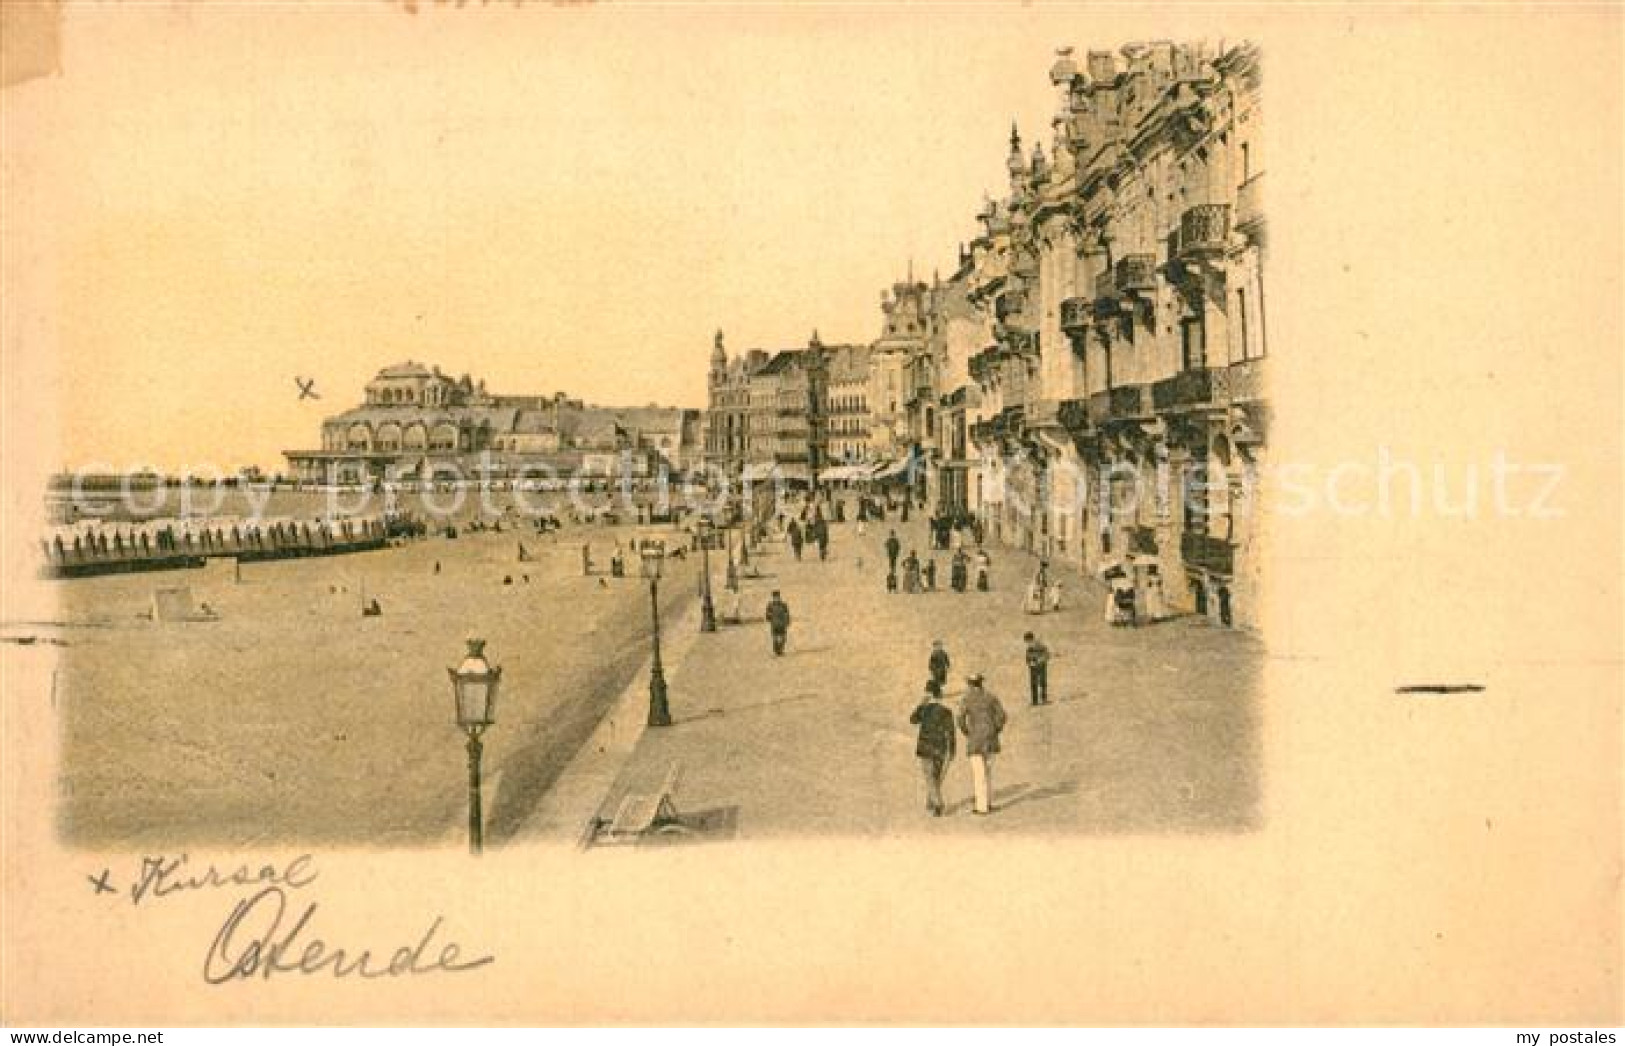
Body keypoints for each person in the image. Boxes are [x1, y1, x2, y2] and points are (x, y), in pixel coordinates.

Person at [957, 673, 1007, 815]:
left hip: (976, 740)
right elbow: (1002, 715)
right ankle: (988, 803)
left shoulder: (966, 699)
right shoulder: (991, 697)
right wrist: (996, 728)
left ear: (970, 685)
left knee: (979, 774)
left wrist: (967, 732)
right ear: (981, 683)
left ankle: (982, 807)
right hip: (991, 739)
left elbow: (960, 719)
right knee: (988, 773)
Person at [909, 683, 956, 817]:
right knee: (935, 776)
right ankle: (930, 802)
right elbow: (951, 732)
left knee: (929, 777)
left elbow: (912, 720)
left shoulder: (925, 709)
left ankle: (938, 804)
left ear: (929, 695)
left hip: (926, 748)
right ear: (940, 696)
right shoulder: (947, 712)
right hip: (940, 748)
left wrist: (921, 704)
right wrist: (952, 750)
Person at [1023, 631, 1051, 706]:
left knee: (1042, 683)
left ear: (1032, 639)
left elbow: (1047, 655)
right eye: (1027, 642)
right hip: (1033, 668)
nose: (1028, 644)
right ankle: (1034, 701)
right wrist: (1030, 663)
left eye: (1028, 641)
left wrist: (1039, 661)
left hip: (1041, 667)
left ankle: (1044, 700)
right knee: (1033, 684)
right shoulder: (1029, 648)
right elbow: (1027, 658)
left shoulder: (1040, 645)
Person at [765, 590, 792, 656]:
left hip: (782, 624)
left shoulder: (783, 605)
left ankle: (780, 649)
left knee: (783, 638)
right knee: (775, 638)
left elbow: (787, 613)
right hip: (774, 624)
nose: (776, 599)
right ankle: (777, 650)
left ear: (779, 597)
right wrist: (770, 619)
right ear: (773, 598)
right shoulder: (770, 605)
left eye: (777, 597)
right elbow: (767, 615)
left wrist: (787, 621)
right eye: (775, 597)